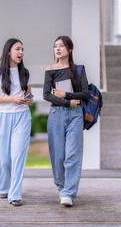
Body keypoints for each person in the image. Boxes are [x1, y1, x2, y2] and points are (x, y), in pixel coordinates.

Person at [43, 36, 89, 207]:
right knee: (58, 156)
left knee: (72, 154)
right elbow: (47, 95)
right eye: (55, 46)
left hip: (75, 115)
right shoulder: (50, 69)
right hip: (56, 115)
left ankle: (68, 192)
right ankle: (62, 188)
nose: (58, 49)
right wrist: (66, 102)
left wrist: (67, 95)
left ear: (69, 49)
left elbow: (85, 94)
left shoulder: (78, 69)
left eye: (61, 46)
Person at [0, 38, 33, 206]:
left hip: (22, 116)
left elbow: (29, 95)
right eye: (17, 49)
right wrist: (12, 99)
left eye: (22, 49)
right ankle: (3, 187)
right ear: (8, 52)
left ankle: (15, 194)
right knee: (3, 159)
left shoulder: (25, 73)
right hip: (2, 116)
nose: (21, 52)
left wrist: (28, 100)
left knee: (18, 156)